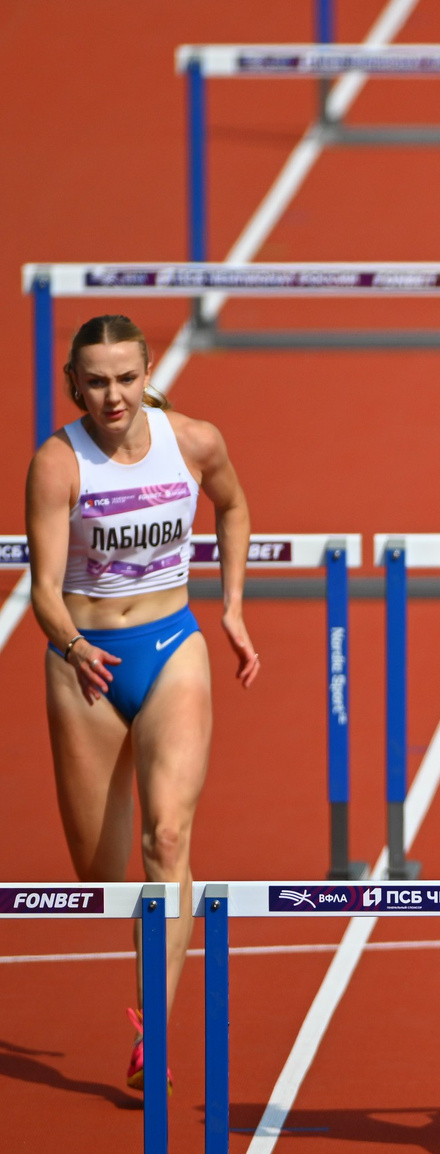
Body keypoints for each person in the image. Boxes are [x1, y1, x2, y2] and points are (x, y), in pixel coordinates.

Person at [24, 313, 259, 1090]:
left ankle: (151, 1027)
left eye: (126, 377)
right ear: (74, 384)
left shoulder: (192, 439)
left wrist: (229, 605)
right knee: (101, 877)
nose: (112, 394)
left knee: (167, 836)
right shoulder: (58, 463)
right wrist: (72, 644)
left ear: (148, 369)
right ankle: (140, 953)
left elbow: (231, 505)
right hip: (83, 665)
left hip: (170, 647)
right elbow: (44, 589)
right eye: (96, 381)